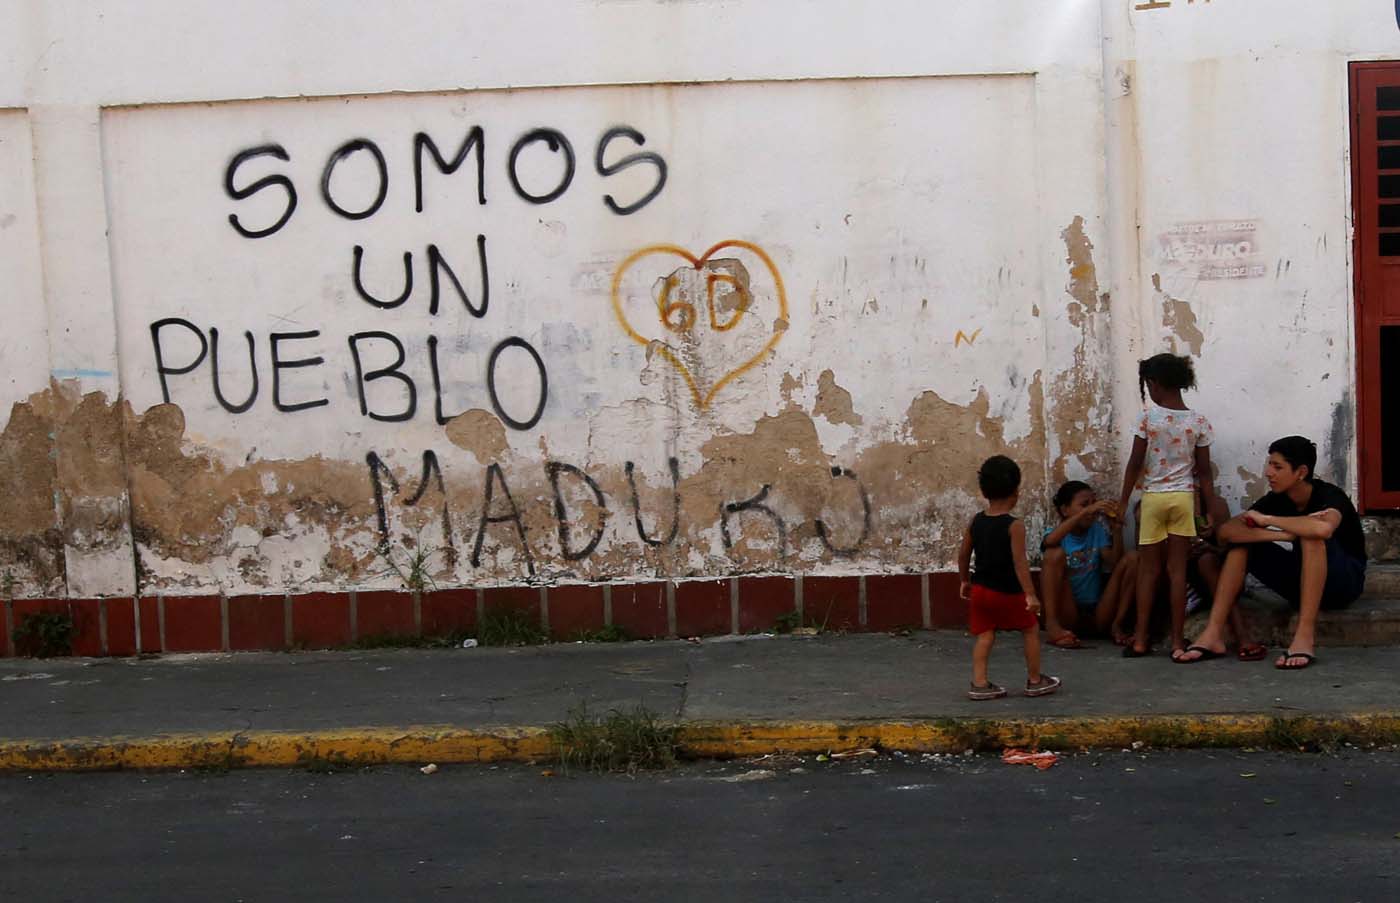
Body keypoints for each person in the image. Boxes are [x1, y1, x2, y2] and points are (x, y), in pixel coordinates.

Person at [1174, 436, 1367, 669]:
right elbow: (1227, 531)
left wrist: (1268, 521)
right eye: (1269, 465)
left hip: (1343, 583)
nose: (1268, 473)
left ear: (1301, 472)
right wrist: (1283, 535)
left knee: (1312, 538)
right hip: (1301, 582)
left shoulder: (1330, 495)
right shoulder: (1277, 499)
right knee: (1242, 545)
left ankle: (1304, 637)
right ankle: (1213, 633)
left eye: (1277, 467)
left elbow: (1324, 528)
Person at [1117, 353, 1219, 660]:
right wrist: (1209, 511)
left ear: (1153, 383)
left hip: (1154, 499)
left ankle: (1140, 639)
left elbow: (1135, 463)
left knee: (1149, 571)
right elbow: (1204, 473)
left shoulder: (1147, 418)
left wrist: (1123, 503)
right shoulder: (1199, 422)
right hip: (1183, 500)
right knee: (1178, 572)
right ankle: (1177, 641)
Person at [958, 455, 1061, 700]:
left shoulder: (977, 520)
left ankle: (980, 684)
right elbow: (1019, 563)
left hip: (981, 590)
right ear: (1016, 492)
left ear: (984, 491)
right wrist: (1030, 594)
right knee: (1030, 629)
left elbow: (963, 553)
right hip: (1007, 591)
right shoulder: (1014, 526)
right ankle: (1035, 680)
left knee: (985, 635)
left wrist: (964, 580)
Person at [1040, 480, 1136, 646]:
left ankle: (1117, 625)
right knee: (1053, 555)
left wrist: (1117, 531)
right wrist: (1085, 513)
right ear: (1064, 510)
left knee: (1133, 558)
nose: (1092, 510)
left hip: (1097, 610)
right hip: (1068, 611)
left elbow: (1113, 562)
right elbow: (1049, 542)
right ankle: (1053, 626)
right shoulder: (1057, 533)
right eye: (1084, 505)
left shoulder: (1096, 530)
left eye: (1093, 504)